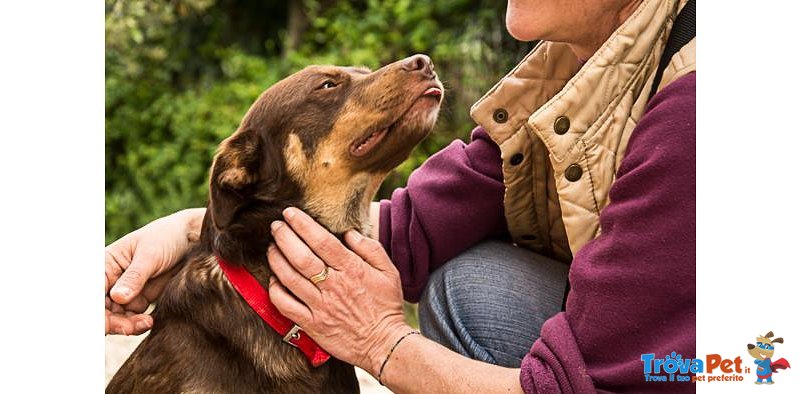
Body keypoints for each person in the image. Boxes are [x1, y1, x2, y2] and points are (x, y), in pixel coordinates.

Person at [105, 0, 696, 391]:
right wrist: (194, 230)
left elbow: (591, 384)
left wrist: (380, 341)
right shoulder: (601, 68)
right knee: (474, 283)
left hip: (741, 366)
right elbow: (418, 226)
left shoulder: (697, 105)